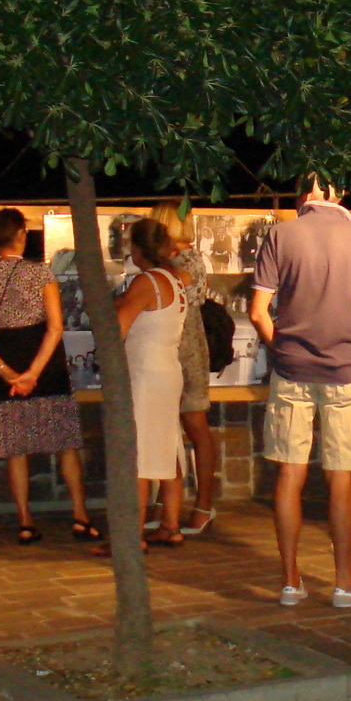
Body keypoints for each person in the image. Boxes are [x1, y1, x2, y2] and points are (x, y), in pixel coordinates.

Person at [249, 179, 351, 606]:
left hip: (291, 369)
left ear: (303, 195)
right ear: (339, 193)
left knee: (289, 473)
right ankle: (345, 582)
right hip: (345, 369)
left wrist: (282, 349)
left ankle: (291, 582)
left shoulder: (280, 235)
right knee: (341, 476)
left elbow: (258, 313)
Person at [0, 209, 95, 543]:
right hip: (46, 364)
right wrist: (35, 372)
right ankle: (80, 516)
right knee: (66, 443)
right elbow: (55, 327)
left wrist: (14, 375)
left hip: (7, 363)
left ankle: (25, 521)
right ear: (20, 235)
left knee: (16, 448)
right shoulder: (40, 273)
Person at [117, 219, 189, 549]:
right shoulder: (175, 278)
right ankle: (171, 524)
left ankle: (133, 534)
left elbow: (118, 329)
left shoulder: (146, 282)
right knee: (167, 445)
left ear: (137, 248)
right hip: (168, 370)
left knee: (140, 453)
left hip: (144, 373)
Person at [150, 199, 220, 536]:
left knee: (194, 425)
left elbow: (184, 295)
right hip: (171, 349)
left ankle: (203, 503)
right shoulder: (168, 260)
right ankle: (167, 502)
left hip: (187, 351)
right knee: (167, 430)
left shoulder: (187, 258)